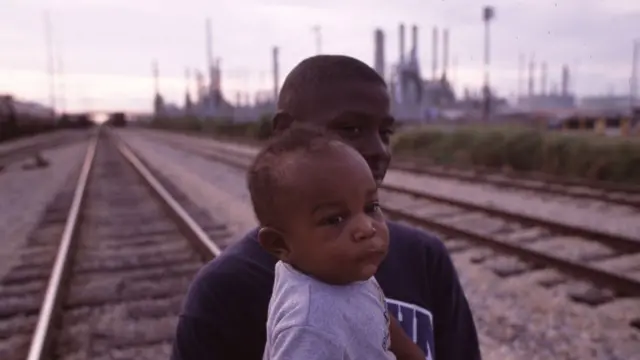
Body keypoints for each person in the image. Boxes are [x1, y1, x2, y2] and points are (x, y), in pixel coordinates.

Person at [170, 55, 481, 360]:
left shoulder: (424, 259)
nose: (378, 150)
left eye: (385, 133)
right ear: (284, 131)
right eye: (351, 130)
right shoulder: (225, 292)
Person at [247, 125, 425, 360]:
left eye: (371, 207)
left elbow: (378, 317)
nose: (366, 228)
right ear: (280, 244)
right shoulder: (308, 326)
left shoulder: (341, 271)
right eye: (334, 219)